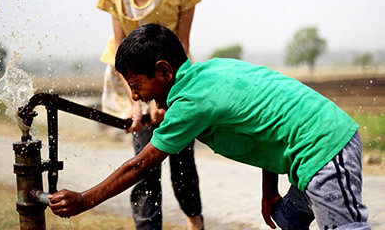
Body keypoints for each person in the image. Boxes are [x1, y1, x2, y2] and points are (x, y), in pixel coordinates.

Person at [49, 24, 371, 230]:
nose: (135, 96)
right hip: (311, 150)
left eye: (137, 85)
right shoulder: (212, 71)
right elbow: (262, 126)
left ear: (163, 71)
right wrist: (269, 192)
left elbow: (138, 166)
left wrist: (84, 199)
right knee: (288, 220)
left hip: (325, 150)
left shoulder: (191, 104)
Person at [95, 0, 203, 229]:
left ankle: (196, 223)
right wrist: (136, 104)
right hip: (132, 83)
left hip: (174, 78)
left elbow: (182, 44)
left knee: (182, 163)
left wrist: (165, 101)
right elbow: (120, 52)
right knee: (143, 165)